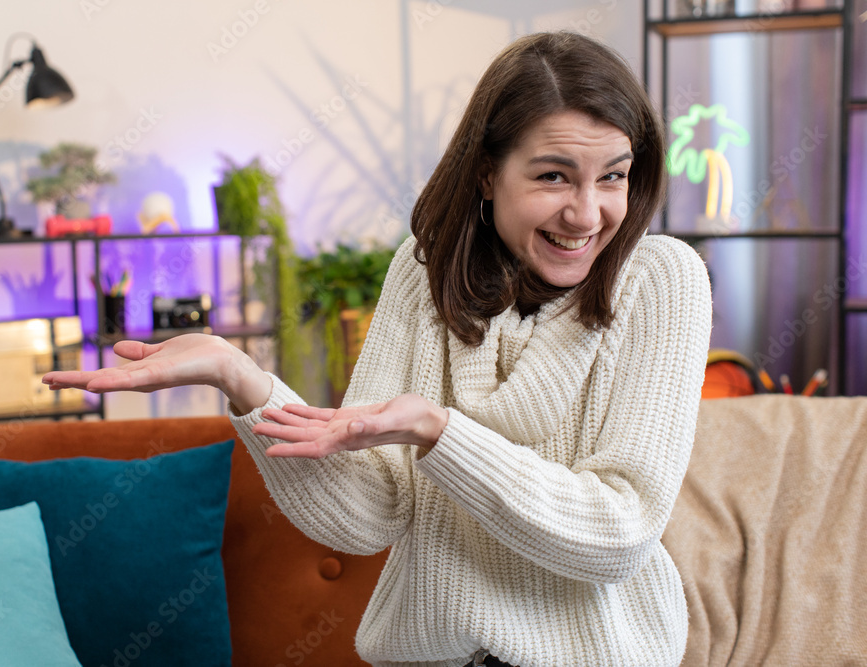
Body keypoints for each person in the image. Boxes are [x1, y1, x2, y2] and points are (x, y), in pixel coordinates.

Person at [43, 31, 712, 667]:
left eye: (613, 177)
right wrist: (242, 378)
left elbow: (620, 532)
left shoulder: (661, 281)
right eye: (554, 177)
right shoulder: (422, 277)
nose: (588, 213)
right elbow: (369, 513)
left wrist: (440, 431)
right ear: (486, 173)